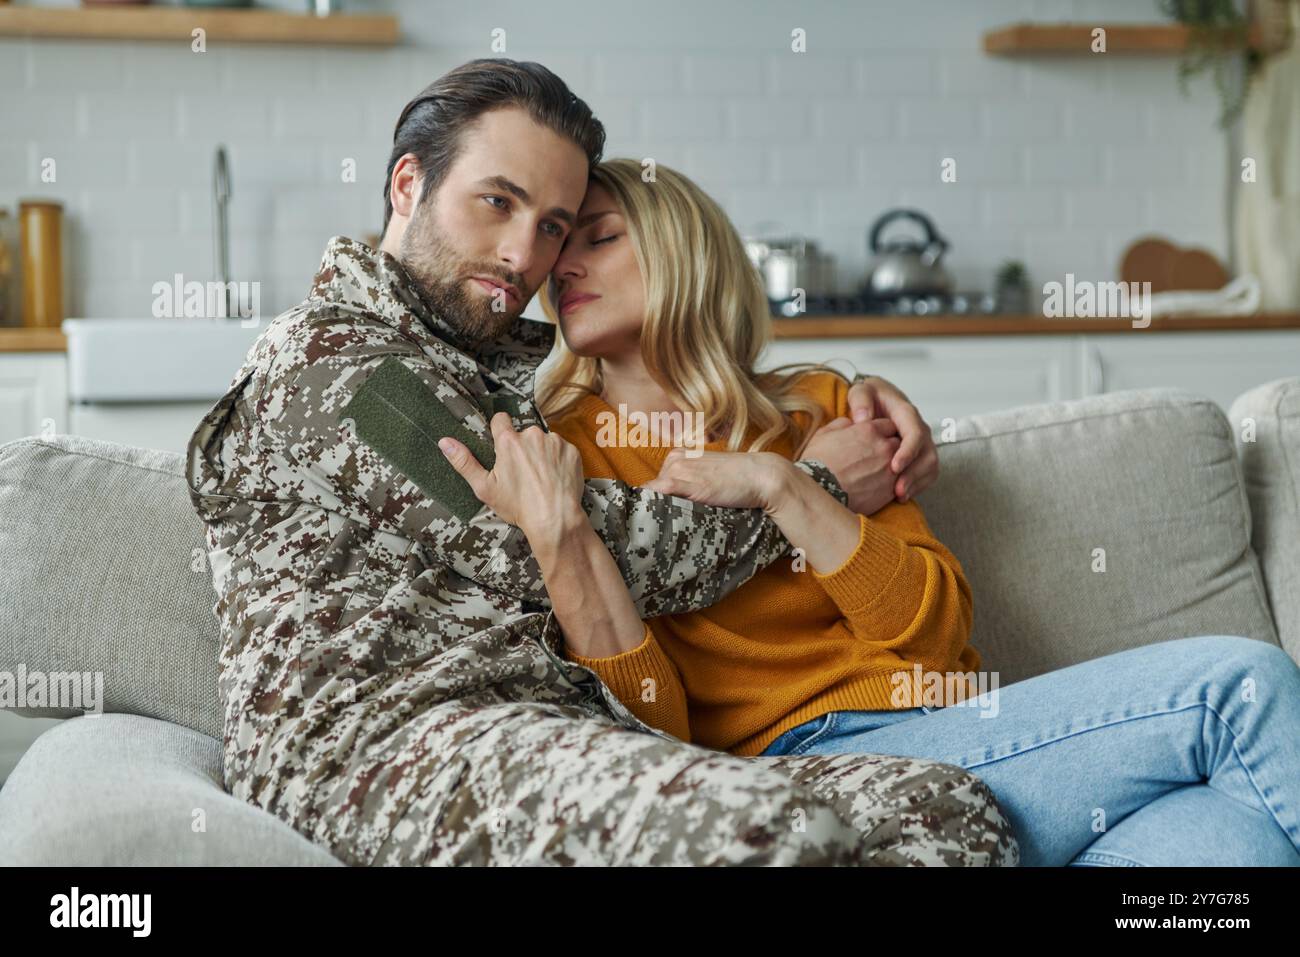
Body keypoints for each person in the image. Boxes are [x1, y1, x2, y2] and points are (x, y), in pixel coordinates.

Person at [185, 57, 1019, 866]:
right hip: (390, 745)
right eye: (498, 202)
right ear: (409, 185)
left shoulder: (484, 379)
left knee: (946, 811)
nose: (526, 257)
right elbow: (585, 542)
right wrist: (819, 487)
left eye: (552, 225)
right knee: (772, 830)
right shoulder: (337, 361)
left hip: (562, 726)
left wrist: (844, 399)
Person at [441, 156, 1300, 867]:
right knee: (1242, 686)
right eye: (562, 251)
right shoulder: (565, 454)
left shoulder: (820, 407)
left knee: (1230, 845)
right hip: (815, 773)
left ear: (680, 253)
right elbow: (653, 723)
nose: (566, 268)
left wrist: (782, 485)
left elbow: (931, 634)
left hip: (969, 734)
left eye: (599, 238)